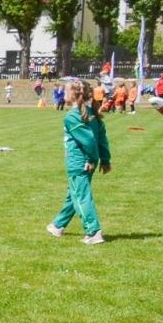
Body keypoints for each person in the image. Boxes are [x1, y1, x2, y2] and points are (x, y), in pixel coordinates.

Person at [46, 79, 111, 245]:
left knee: (81, 196)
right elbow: (101, 138)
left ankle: (93, 232)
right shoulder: (91, 112)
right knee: (73, 194)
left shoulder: (72, 116)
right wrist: (104, 159)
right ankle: (58, 225)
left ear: (73, 95)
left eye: (66, 91)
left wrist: (91, 159)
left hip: (79, 162)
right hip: (87, 161)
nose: (64, 93)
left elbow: (89, 141)